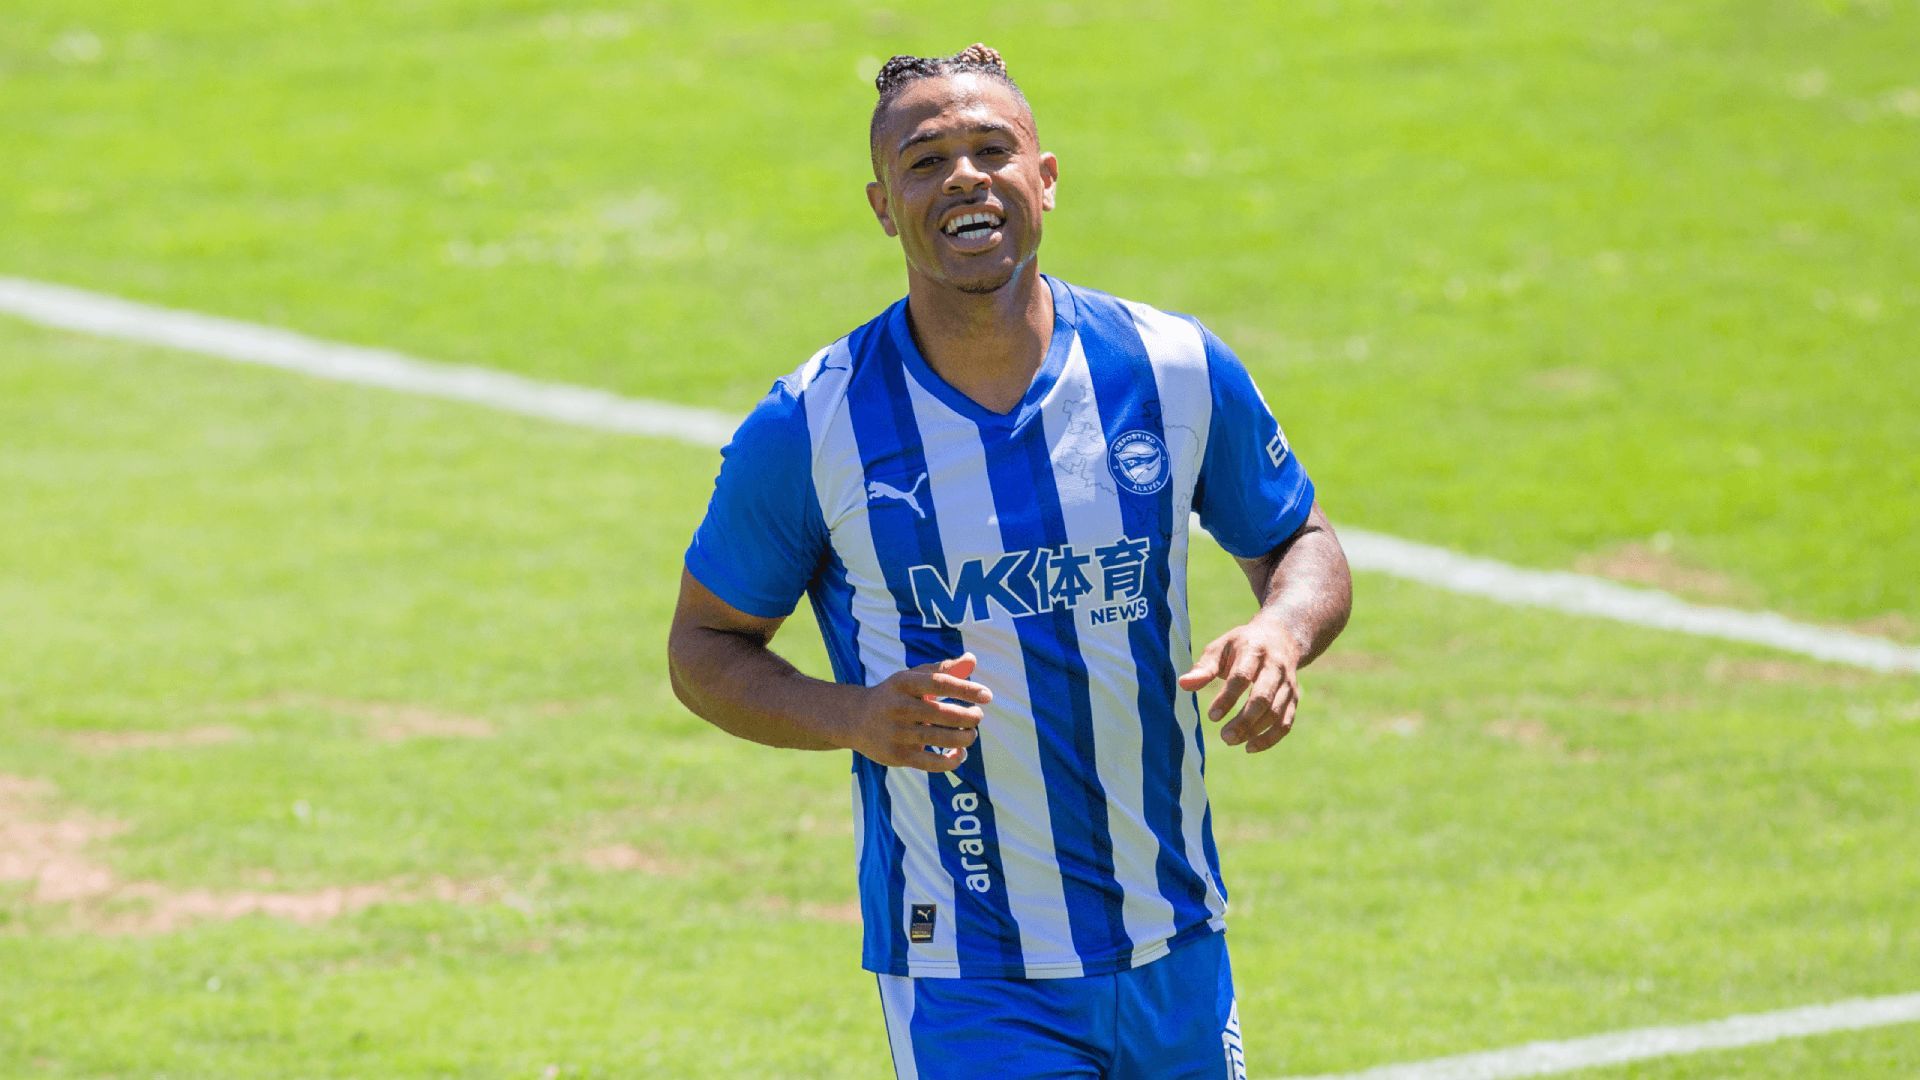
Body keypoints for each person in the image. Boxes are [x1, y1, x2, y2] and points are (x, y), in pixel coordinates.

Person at [668, 43, 1352, 1080]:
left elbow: (1300, 542)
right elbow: (704, 647)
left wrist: (1281, 631)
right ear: (882, 205)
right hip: (967, 976)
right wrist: (852, 717)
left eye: (994, 149)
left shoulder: (1170, 369)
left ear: (1046, 178)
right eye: (925, 161)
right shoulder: (814, 425)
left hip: (1175, 939)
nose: (964, 180)